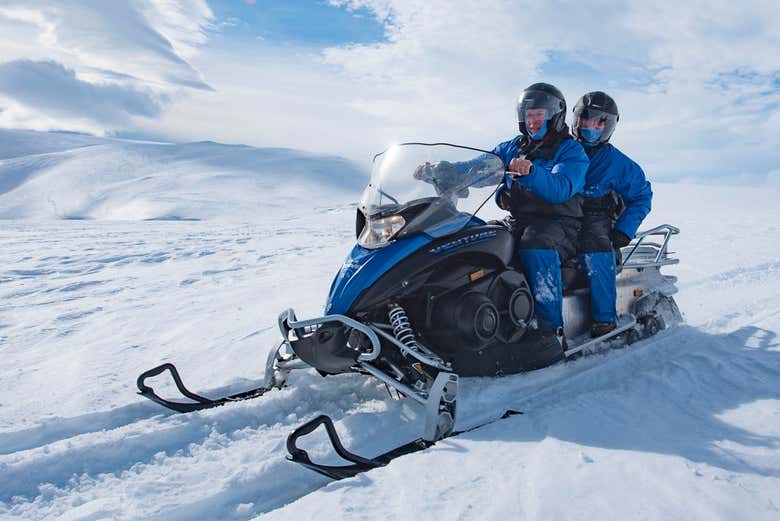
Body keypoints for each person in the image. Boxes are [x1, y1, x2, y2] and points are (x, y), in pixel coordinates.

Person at [491, 83, 589, 361]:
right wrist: (447, 171)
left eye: (539, 115)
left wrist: (531, 171)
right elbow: (483, 163)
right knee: (484, 238)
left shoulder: (571, 151)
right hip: (521, 219)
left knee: (535, 243)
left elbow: (560, 188)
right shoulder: (513, 146)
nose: (532, 121)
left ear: (554, 115)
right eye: (528, 115)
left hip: (562, 225)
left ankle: (549, 330)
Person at [571, 91, 652, 337]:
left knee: (596, 251)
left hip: (597, 217)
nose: (589, 126)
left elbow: (641, 196)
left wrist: (623, 230)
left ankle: (605, 320)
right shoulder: (562, 149)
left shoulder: (617, 163)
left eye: (598, 122)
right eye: (585, 119)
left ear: (608, 127)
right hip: (560, 214)